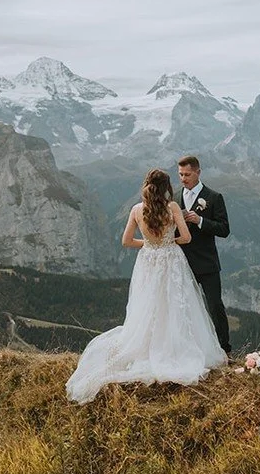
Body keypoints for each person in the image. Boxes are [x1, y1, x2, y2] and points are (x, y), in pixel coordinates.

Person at [65, 168, 227, 404]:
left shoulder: (137, 210)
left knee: (148, 304)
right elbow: (187, 238)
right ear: (167, 187)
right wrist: (168, 242)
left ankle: (147, 346)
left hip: (148, 261)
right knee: (173, 304)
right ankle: (173, 346)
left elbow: (126, 241)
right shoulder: (172, 208)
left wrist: (149, 244)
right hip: (171, 260)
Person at [176, 155, 231, 355]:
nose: (183, 179)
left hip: (207, 263)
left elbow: (224, 229)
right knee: (184, 307)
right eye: (180, 174)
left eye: (187, 174)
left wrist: (200, 221)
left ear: (198, 172)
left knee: (215, 306)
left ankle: (224, 349)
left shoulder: (214, 197)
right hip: (182, 263)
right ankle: (190, 349)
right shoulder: (174, 198)